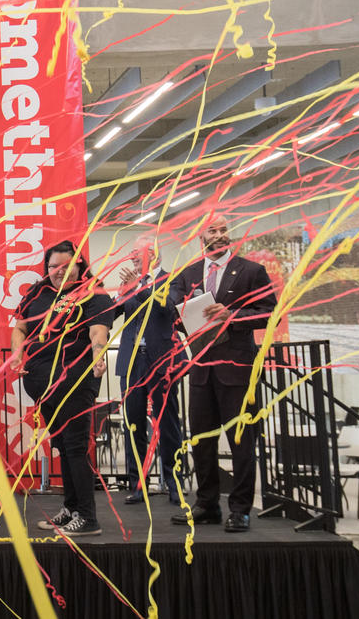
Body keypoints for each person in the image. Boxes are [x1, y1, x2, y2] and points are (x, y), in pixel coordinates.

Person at [170, 214, 277, 533]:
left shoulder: (250, 271)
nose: (218, 234)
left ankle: (241, 508)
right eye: (211, 230)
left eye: (223, 229)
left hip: (238, 369)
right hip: (201, 367)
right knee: (201, 440)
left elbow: (269, 313)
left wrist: (233, 315)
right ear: (200, 236)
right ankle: (207, 504)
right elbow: (174, 317)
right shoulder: (187, 274)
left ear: (230, 235)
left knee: (242, 442)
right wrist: (181, 317)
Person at [7, 240, 114, 537]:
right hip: (42, 383)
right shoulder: (39, 292)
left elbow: (98, 331)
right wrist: (16, 353)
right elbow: (20, 327)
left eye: (66, 266)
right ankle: (72, 508)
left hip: (74, 380)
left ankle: (88, 518)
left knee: (76, 446)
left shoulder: (94, 292)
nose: (59, 272)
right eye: (53, 266)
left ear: (79, 265)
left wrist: (98, 356)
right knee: (63, 446)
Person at [113, 233, 187, 506]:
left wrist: (139, 287)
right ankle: (137, 484)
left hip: (162, 361)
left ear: (154, 254)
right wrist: (118, 293)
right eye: (132, 252)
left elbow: (169, 307)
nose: (132, 256)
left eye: (137, 252)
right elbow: (112, 315)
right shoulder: (129, 283)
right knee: (133, 425)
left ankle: (173, 483)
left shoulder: (173, 279)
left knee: (167, 423)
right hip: (132, 362)